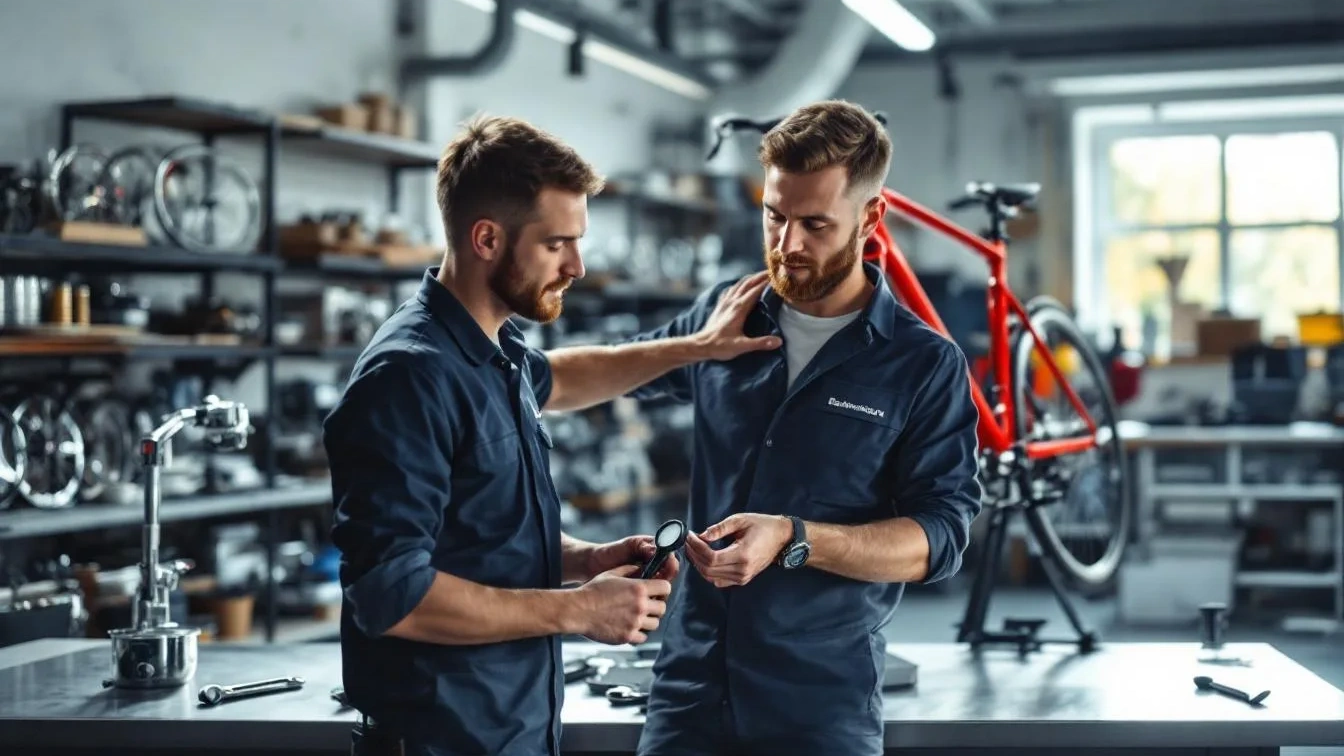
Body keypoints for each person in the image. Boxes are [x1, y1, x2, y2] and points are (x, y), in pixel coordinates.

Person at [323, 114, 781, 756]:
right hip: (442, 738)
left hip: (510, 731)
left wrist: (579, 560)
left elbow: (559, 388)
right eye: (557, 243)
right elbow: (392, 598)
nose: (578, 265)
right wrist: (577, 609)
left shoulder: (494, 350)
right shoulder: (410, 376)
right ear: (486, 238)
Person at [623, 100, 985, 756]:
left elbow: (940, 539)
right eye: (774, 215)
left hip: (818, 708)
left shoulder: (921, 364)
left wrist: (795, 539)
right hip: (690, 697)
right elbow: (586, 379)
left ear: (871, 218)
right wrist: (692, 346)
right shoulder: (724, 317)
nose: (788, 245)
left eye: (815, 224)